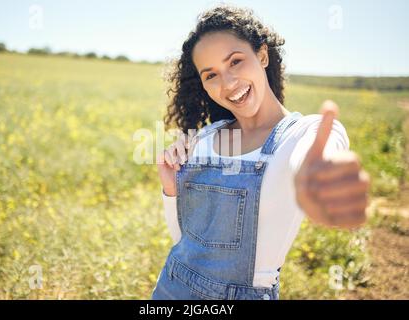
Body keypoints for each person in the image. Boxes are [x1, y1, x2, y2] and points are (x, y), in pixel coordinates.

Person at [152, 4, 370, 300]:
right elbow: (184, 244)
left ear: (263, 55)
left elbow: (316, 151)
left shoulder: (301, 134)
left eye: (236, 62)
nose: (228, 83)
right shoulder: (205, 137)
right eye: (211, 75)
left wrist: (319, 174)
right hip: (170, 287)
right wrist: (170, 189)